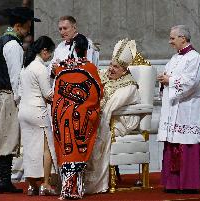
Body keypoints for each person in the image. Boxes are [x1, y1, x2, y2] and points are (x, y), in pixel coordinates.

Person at [0, 7, 40, 194]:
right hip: (6, 96)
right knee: (7, 138)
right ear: (18, 26)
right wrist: (21, 101)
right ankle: (3, 181)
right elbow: (16, 78)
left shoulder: (1, 40)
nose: (29, 29)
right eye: (28, 26)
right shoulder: (13, 45)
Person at [84, 38, 140, 194]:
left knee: (93, 133)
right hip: (102, 117)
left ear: (124, 70)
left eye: (115, 67)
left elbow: (109, 107)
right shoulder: (103, 75)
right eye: (110, 64)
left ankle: (94, 183)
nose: (110, 69)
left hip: (119, 122)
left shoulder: (128, 86)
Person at [52, 33, 103, 199]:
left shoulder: (62, 67)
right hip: (81, 115)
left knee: (67, 151)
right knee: (77, 151)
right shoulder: (90, 68)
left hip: (61, 113)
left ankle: (66, 188)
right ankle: (73, 189)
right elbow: (98, 93)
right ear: (87, 50)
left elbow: (57, 89)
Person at [157, 25, 200, 193]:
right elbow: (170, 78)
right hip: (174, 109)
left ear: (183, 38)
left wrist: (169, 81)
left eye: (173, 38)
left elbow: (191, 83)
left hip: (188, 110)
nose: (170, 41)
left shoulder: (195, 58)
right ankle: (172, 183)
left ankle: (189, 184)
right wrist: (163, 80)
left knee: (186, 145)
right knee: (173, 143)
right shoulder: (174, 58)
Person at [18, 35, 58, 196]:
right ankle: (46, 184)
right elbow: (48, 94)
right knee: (46, 148)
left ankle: (31, 185)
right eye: (50, 53)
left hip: (24, 111)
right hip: (37, 112)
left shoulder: (26, 66)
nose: (51, 56)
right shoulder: (40, 67)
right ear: (44, 51)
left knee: (29, 149)